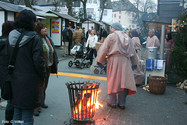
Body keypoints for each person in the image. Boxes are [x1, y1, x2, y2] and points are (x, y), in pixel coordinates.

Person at [8, 10, 45, 125]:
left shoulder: (11, 35)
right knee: (27, 116)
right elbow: (38, 62)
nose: (35, 24)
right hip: (29, 82)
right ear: (30, 22)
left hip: (14, 79)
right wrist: (43, 75)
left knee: (17, 113)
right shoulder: (34, 38)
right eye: (34, 21)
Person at [96, 22, 137, 109]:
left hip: (114, 61)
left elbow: (104, 49)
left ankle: (112, 103)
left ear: (113, 28)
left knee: (113, 81)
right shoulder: (128, 37)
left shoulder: (111, 36)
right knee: (124, 82)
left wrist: (100, 61)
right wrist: (135, 63)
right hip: (126, 62)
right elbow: (133, 52)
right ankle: (122, 104)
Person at [35, 22, 58, 116]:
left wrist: (55, 62)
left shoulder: (47, 39)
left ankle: (42, 102)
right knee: (39, 86)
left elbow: (52, 51)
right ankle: (36, 105)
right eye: (42, 28)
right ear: (38, 30)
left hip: (48, 66)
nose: (45, 29)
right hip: (41, 66)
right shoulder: (36, 40)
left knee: (44, 85)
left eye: (45, 27)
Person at [0, 21, 15, 125]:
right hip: (8, 74)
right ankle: (8, 122)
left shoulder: (0, 40)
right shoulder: (11, 43)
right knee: (11, 101)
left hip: (1, 73)